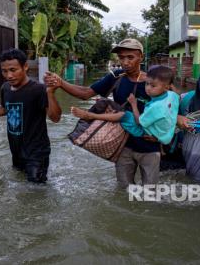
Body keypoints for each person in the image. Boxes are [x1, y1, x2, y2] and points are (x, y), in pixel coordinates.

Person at [45, 38, 161, 188]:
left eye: (130, 57)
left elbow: (170, 109)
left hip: (150, 144)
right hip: (122, 144)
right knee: (124, 190)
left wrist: (162, 136)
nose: (125, 62)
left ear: (141, 57)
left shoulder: (154, 81)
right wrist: (61, 83)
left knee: (151, 191)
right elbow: (85, 93)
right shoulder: (115, 77)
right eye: (121, 57)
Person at [0, 49, 62, 183]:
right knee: (20, 184)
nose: (9, 75)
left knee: (36, 190)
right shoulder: (6, 88)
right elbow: (4, 109)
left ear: (25, 67)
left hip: (37, 152)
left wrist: (50, 93)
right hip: (16, 150)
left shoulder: (38, 89)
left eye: (13, 70)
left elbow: (55, 118)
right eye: (4, 71)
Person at [70, 65, 179, 145]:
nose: (148, 88)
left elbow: (139, 121)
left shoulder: (156, 107)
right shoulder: (173, 96)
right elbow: (175, 99)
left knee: (124, 115)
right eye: (146, 84)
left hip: (146, 132)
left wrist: (133, 104)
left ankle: (90, 116)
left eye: (153, 86)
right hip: (165, 136)